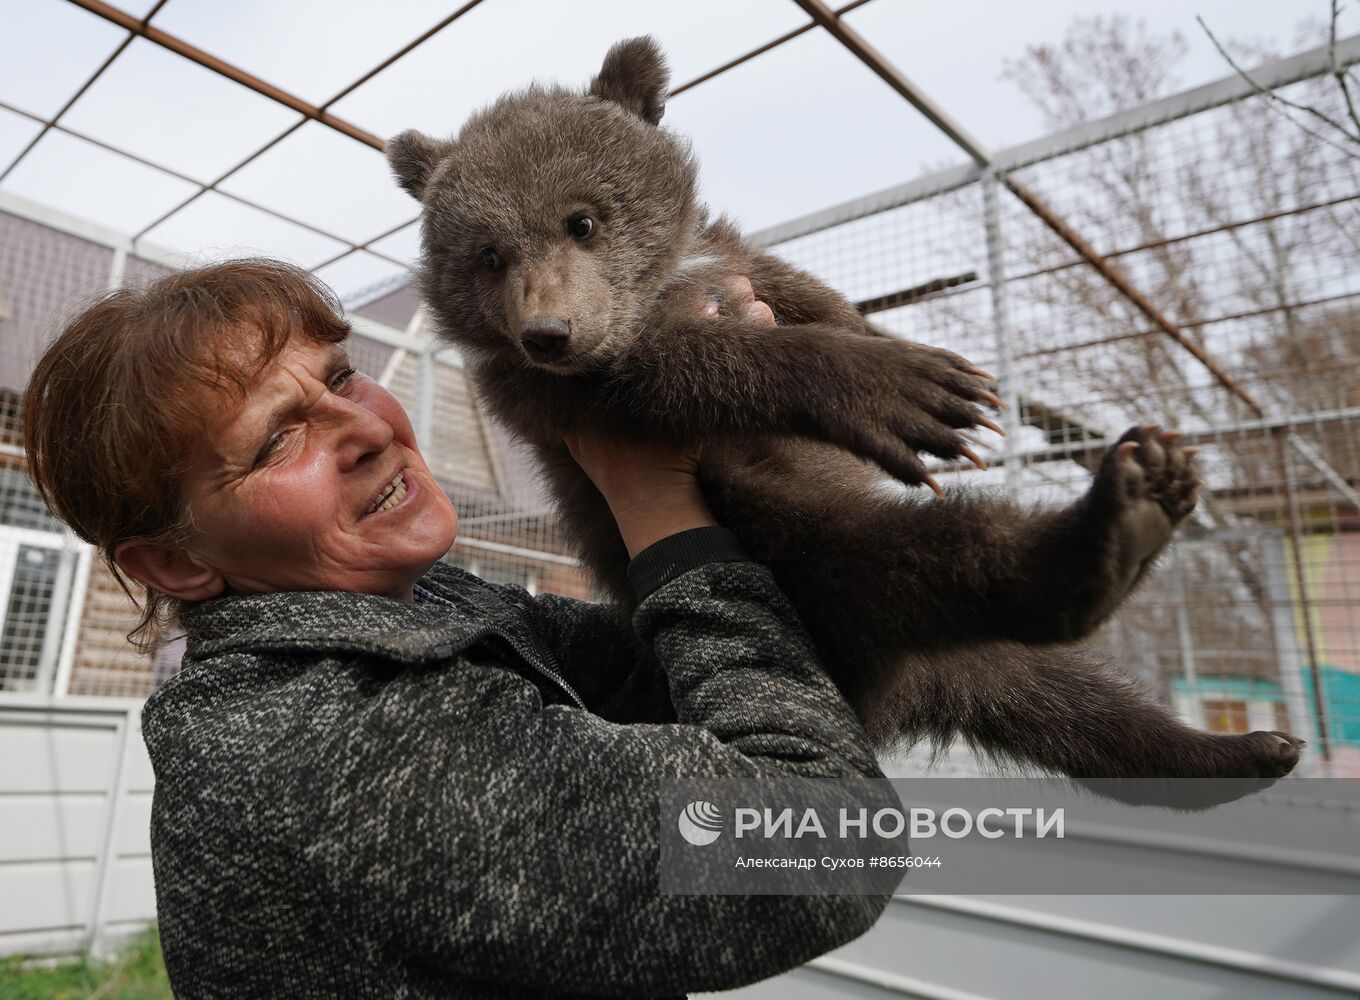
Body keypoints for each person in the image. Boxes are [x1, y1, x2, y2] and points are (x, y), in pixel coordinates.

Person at [22, 259, 893, 998]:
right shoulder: (332, 746)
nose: (364, 426)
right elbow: (831, 839)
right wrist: (652, 496)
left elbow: (678, 672)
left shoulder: (432, 608)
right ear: (174, 567)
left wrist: (728, 418)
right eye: (274, 442)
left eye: (337, 378)